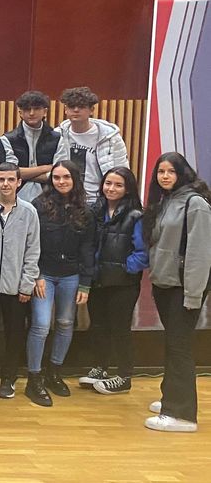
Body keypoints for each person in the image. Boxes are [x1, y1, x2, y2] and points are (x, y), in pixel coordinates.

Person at [142, 152, 210, 433]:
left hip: (185, 289)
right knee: (173, 343)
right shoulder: (166, 201)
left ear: (183, 173)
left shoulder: (196, 205)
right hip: (165, 285)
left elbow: (199, 254)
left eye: (171, 171)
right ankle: (170, 396)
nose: (165, 176)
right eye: (161, 171)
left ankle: (182, 414)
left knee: (180, 348)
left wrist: (193, 296)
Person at [24, 160, 96, 407]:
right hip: (44, 274)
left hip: (71, 275)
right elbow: (31, 243)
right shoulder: (39, 206)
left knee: (65, 323)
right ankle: (34, 378)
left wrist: (85, 284)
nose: (61, 181)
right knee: (42, 325)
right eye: (56, 177)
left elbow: (88, 249)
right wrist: (35, 275)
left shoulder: (86, 211)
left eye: (66, 177)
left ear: (74, 179)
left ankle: (54, 372)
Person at [80, 166, 147, 395]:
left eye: (118, 184)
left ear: (127, 189)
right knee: (98, 325)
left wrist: (126, 270)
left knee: (120, 328)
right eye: (108, 183)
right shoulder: (95, 211)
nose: (112, 188)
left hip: (123, 283)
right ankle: (100, 367)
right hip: (97, 279)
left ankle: (125, 376)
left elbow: (142, 252)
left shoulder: (136, 215)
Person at [0, 164, 41, 399]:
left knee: (14, 334)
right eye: (1, 179)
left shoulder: (29, 212)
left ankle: (9, 379)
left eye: (10, 180)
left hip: (16, 287)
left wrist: (27, 284)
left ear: (18, 182)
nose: (5, 184)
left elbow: (33, 250)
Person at [53, 86, 129, 205]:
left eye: (82, 106)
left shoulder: (111, 137)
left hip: (99, 200)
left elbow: (122, 172)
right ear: (66, 110)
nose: (76, 110)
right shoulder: (57, 135)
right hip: (65, 200)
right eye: (72, 106)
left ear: (92, 109)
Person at [0, 90, 60, 202]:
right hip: (16, 198)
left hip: (51, 198)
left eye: (37, 108)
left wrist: (23, 174)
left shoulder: (58, 138)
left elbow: (59, 174)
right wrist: (46, 168)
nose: (32, 113)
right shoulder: (7, 139)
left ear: (45, 111)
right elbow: (11, 173)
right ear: (20, 113)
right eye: (27, 109)